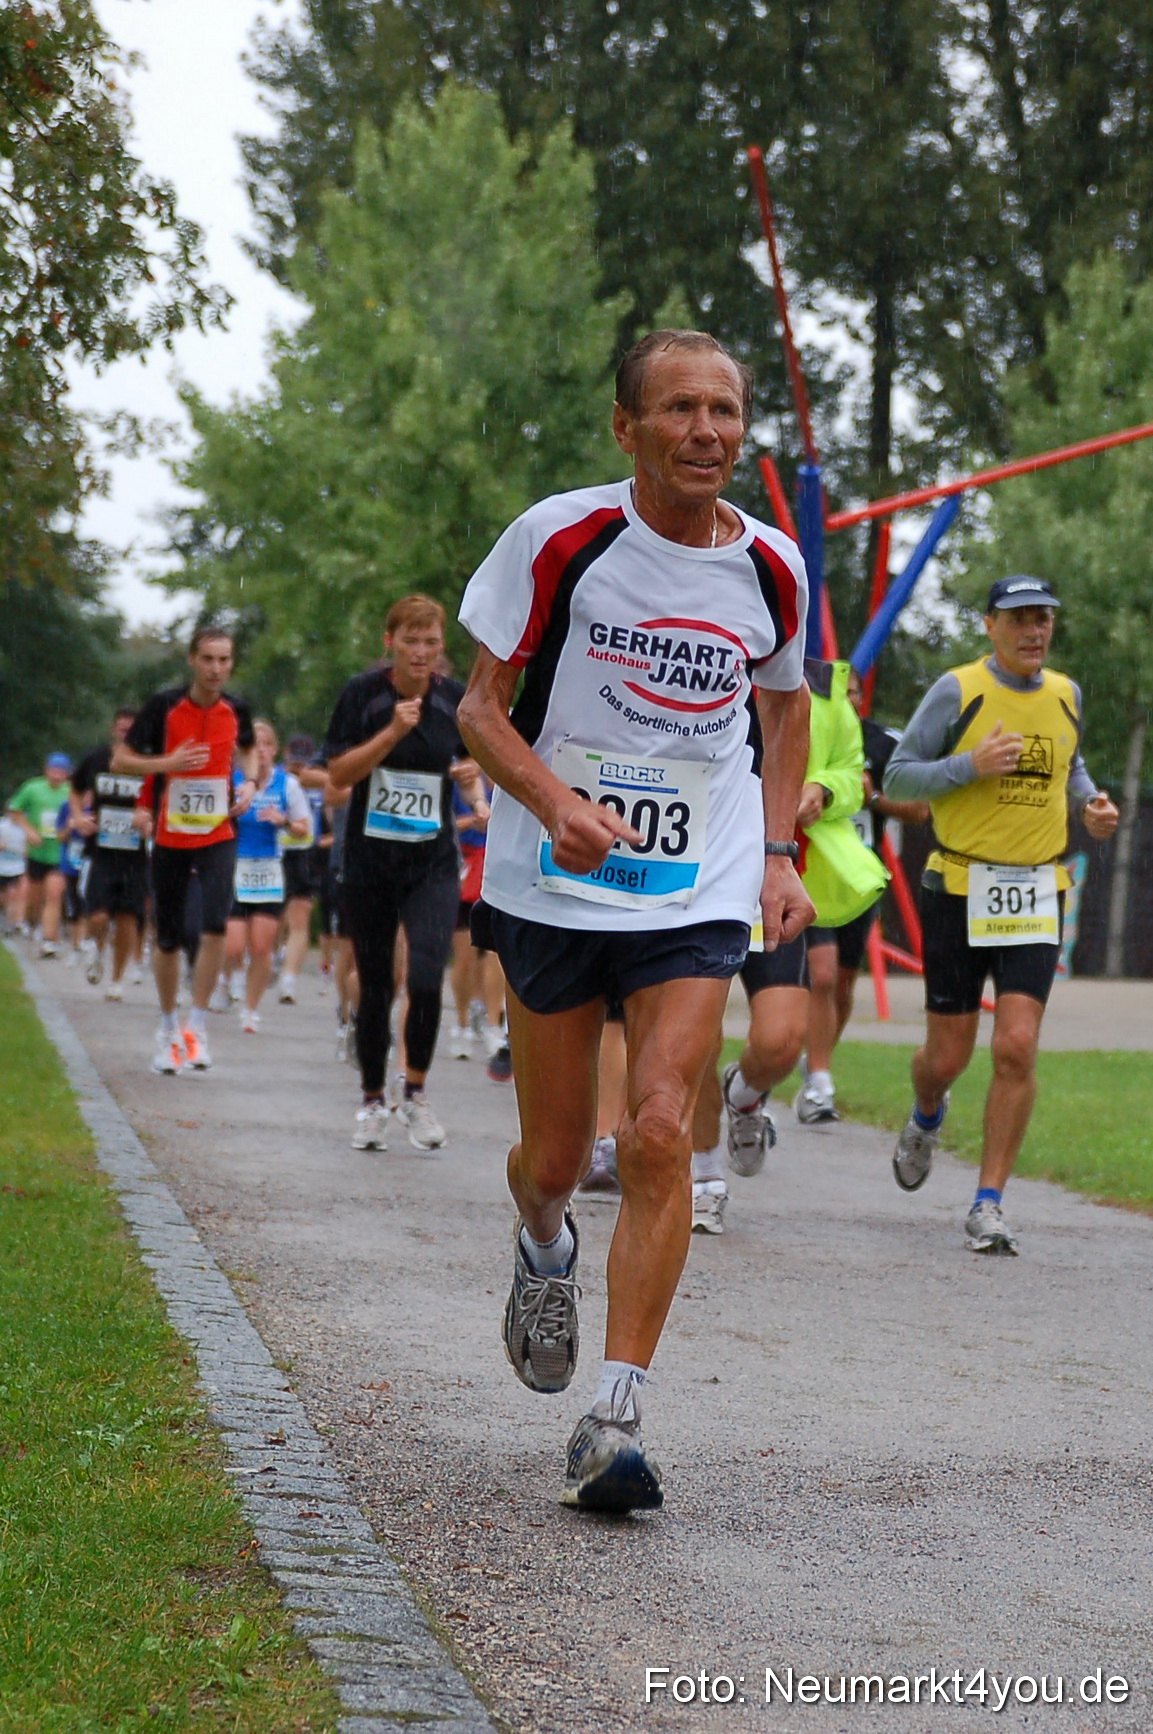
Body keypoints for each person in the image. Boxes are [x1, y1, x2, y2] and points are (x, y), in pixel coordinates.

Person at [457, 328, 812, 1512]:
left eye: (723, 410)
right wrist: (555, 803)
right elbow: (480, 708)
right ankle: (542, 1248)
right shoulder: (563, 539)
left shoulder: (771, 567)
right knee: (558, 1158)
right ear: (627, 427)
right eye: (678, 410)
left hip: (692, 884)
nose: (705, 430)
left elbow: (784, 709)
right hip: (553, 880)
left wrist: (770, 855)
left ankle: (614, 1418)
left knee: (657, 1131)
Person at [883, 576, 1118, 1254]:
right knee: (945, 1056)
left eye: (1042, 618)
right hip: (957, 885)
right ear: (990, 626)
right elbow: (897, 776)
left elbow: (1068, 767)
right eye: (1018, 619)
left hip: (1036, 890)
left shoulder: (1066, 694)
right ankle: (926, 1114)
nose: (1032, 631)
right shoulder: (957, 690)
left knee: (1015, 1045)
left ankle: (988, 1201)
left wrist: (1092, 807)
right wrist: (967, 765)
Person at [324, 595, 489, 1152]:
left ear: (442, 646)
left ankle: (414, 1092)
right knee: (376, 987)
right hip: (370, 863)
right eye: (410, 641)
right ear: (388, 642)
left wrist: (472, 783)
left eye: (431, 642)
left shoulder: (455, 701)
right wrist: (390, 735)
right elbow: (340, 774)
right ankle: (372, 1100)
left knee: (424, 977)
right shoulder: (362, 696)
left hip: (431, 865)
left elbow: (470, 768)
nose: (421, 652)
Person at [111, 625, 256, 1074]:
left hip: (218, 833)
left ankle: (196, 1025)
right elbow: (121, 759)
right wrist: (167, 764)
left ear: (231, 664)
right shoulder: (164, 706)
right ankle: (168, 1025)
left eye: (224, 660)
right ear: (193, 660)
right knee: (170, 936)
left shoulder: (238, 708)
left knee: (215, 924)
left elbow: (248, 749)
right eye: (208, 659)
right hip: (171, 835)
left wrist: (249, 781)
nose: (216, 669)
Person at [794, 668, 929, 1119]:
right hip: (811, 873)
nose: (846, 701)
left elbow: (920, 810)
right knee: (824, 974)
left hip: (855, 878)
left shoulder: (880, 743)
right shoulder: (799, 727)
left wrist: (872, 800)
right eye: (838, 694)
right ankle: (820, 1083)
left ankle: (816, 1062)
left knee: (844, 984)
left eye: (853, 693)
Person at [222, 720, 310, 1031]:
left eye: (265, 744)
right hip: (234, 868)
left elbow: (304, 830)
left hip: (269, 872)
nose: (259, 750)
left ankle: (250, 1009)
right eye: (252, 745)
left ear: (274, 750)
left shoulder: (287, 785)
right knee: (232, 946)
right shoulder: (230, 782)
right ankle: (227, 978)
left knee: (261, 947)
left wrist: (282, 820)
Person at [70, 708, 147, 999]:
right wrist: (78, 817)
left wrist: (149, 820)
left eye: (132, 729)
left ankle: (116, 980)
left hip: (134, 853)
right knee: (98, 916)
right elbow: (76, 790)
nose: (126, 733)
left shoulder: (147, 763)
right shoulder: (96, 759)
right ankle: (97, 948)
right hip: (101, 850)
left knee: (128, 918)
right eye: (122, 728)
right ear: (114, 730)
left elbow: (161, 798)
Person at [276, 734, 328, 1004]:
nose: (298, 768)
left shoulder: (316, 783)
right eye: (294, 762)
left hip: (306, 855)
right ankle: (272, 956)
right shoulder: (276, 782)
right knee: (272, 919)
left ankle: (289, 980)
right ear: (285, 755)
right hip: (273, 853)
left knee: (299, 917)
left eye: (302, 764)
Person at [6, 752, 71, 957]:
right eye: (54, 771)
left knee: (54, 894)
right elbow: (14, 810)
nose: (57, 776)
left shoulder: (70, 792)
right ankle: (32, 924)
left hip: (59, 853)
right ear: (46, 769)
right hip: (37, 852)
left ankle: (49, 940)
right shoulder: (33, 788)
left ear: (68, 774)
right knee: (35, 899)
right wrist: (29, 830)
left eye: (62, 772)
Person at [0, 808, 28, 934]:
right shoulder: (2, 825)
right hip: (2, 866)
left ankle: (15, 922)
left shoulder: (26, 827)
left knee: (16, 894)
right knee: (4, 896)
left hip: (19, 866)